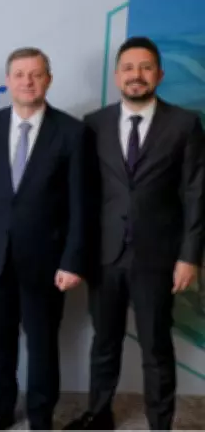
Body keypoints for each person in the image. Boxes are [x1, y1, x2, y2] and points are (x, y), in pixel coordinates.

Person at [64, 36, 205, 431]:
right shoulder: (94, 124)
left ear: (159, 74)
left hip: (158, 257)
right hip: (104, 256)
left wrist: (189, 256)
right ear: (116, 76)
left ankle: (160, 422)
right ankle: (99, 414)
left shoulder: (185, 124)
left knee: (156, 346)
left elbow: (196, 193)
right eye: (128, 68)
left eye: (145, 67)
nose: (136, 75)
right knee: (104, 342)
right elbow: (84, 195)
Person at [0, 47, 88, 430]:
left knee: (42, 346)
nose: (28, 81)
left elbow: (81, 204)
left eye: (36, 74)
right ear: (7, 81)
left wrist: (73, 260)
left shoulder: (72, 132)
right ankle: (1, 409)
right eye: (19, 74)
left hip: (48, 263)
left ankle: (40, 415)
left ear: (48, 79)